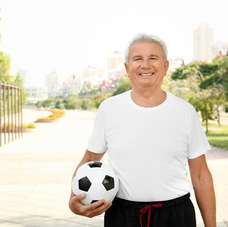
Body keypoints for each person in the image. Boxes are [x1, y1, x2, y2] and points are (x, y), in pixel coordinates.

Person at [69, 33, 216, 227]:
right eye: (138, 59)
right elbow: (89, 160)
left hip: (176, 216)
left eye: (153, 58)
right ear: (127, 68)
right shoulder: (109, 109)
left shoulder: (185, 111)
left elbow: (201, 176)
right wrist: (73, 202)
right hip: (122, 216)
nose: (145, 65)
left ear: (165, 67)